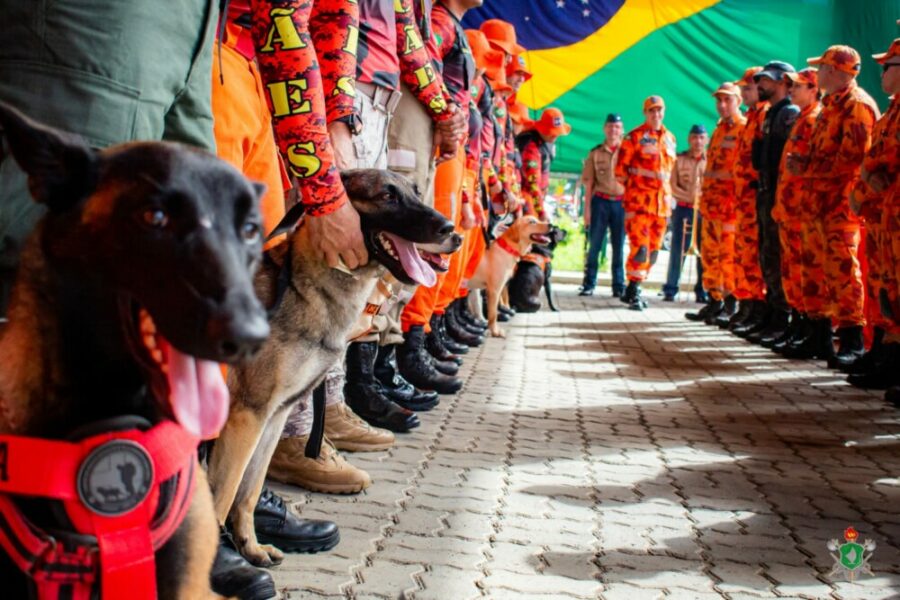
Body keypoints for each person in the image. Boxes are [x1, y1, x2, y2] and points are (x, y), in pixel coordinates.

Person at [787, 45, 879, 367]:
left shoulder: (857, 106)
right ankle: (819, 335)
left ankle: (852, 340)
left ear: (835, 71)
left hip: (841, 207)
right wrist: (806, 165)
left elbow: (852, 161)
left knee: (843, 273)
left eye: (822, 68)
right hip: (817, 204)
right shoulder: (829, 105)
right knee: (814, 270)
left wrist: (809, 168)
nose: (818, 73)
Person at [847, 39, 900, 393]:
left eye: (888, 66)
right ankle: (886, 357)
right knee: (886, 290)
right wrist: (869, 174)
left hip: (893, 215)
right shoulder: (891, 113)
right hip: (884, 216)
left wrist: (871, 168)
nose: (882, 72)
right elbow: (872, 161)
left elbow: (884, 159)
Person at [770, 67, 823, 356]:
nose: (791, 90)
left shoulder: (815, 120)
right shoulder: (802, 119)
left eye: (799, 86)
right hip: (789, 210)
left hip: (803, 211)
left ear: (814, 90)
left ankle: (810, 331)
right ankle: (799, 326)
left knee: (806, 272)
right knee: (792, 272)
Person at [748, 60, 800, 346]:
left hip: (780, 195)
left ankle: (782, 316)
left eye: (766, 80)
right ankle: (772, 312)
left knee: (778, 256)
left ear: (783, 82)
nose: (760, 84)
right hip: (766, 193)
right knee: (767, 254)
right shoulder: (770, 114)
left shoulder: (788, 114)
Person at [686, 83, 744, 323]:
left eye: (727, 100)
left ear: (738, 101)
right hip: (711, 206)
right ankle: (714, 301)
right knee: (709, 256)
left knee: (728, 257)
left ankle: (731, 306)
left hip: (730, 209)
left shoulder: (743, 128)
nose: (722, 105)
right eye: (719, 100)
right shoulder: (719, 130)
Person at [615, 95, 677, 311]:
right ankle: (633, 289)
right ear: (645, 113)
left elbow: (670, 172)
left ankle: (634, 285)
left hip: (661, 207)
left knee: (653, 251)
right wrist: (637, 190)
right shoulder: (634, 137)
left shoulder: (670, 138)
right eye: (652, 110)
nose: (656, 114)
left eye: (659, 110)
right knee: (640, 248)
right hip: (639, 205)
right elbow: (620, 172)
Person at [727, 67, 769, 333]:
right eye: (741, 88)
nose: (743, 93)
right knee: (744, 255)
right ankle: (746, 306)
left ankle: (757, 309)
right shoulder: (751, 118)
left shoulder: (764, 116)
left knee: (755, 255)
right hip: (743, 201)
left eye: (748, 88)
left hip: (755, 198)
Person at [580, 113, 626, 298]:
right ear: (604, 129)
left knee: (619, 246)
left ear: (621, 130)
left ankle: (618, 285)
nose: (613, 130)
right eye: (610, 126)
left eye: (617, 127)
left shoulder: (627, 152)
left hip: (621, 203)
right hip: (600, 202)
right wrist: (587, 211)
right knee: (595, 245)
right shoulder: (595, 153)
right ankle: (589, 283)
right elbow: (589, 183)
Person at [663, 124, 708, 303]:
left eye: (701, 138)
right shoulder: (679, 159)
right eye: (694, 137)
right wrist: (690, 197)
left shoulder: (711, 161)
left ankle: (702, 290)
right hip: (683, 209)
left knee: (703, 252)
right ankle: (671, 288)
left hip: (703, 210)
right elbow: (672, 184)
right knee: (677, 249)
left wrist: (701, 198)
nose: (698, 141)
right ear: (689, 139)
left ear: (706, 140)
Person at [518, 107, 573, 219]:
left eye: (557, 133)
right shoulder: (531, 147)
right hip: (527, 200)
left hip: (537, 199)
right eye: (551, 132)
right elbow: (533, 185)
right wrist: (541, 212)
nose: (555, 136)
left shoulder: (546, 142)